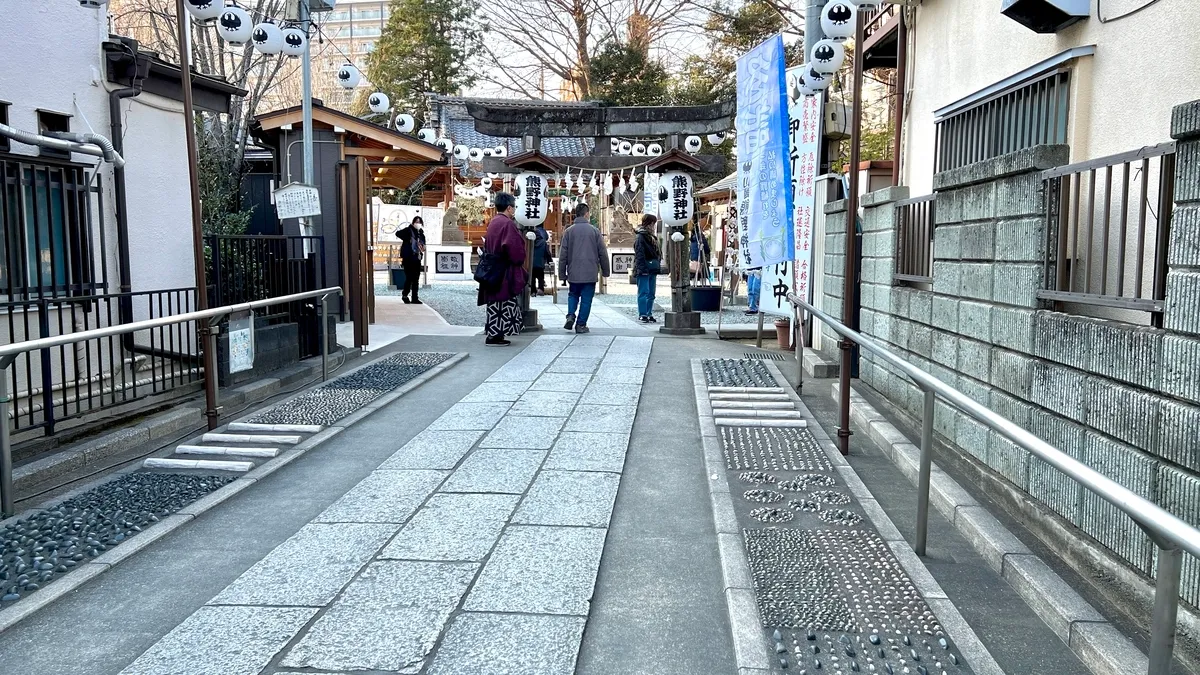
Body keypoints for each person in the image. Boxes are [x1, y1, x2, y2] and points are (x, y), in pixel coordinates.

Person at [477, 193, 528, 346]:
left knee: (496, 302)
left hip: (492, 268)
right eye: (513, 207)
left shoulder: (493, 221)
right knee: (502, 301)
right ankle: (494, 336)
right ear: (509, 207)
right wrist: (520, 258)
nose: (514, 211)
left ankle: (495, 334)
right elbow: (515, 250)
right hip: (502, 270)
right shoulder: (507, 224)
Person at [557, 202, 609, 334]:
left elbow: (563, 255)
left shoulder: (569, 231)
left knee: (573, 294)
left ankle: (570, 315)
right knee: (586, 299)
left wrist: (562, 274)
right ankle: (581, 324)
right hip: (590, 272)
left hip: (573, 272)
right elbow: (603, 252)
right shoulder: (594, 231)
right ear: (586, 214)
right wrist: (606, 271)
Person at [632, 214, 661, 323]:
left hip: (652, 268)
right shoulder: (641, 236)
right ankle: (643, 313)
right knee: (644, 292)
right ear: (650, 223)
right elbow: (639, 254)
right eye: (653, 223)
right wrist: (642, 269)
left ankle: (649, 313)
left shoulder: (651, 236)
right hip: (644, 267)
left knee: (651, 293)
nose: (654, 226)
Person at [395, 215, 426, 304]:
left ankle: (415, 297)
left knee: (416, 278)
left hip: (417, 257)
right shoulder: (408, 230)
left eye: (419, 222)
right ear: (413, 223)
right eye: (416, 222)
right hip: (408, 257)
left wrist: (422, 247)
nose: (418, 224)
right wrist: (408, 239)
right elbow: (398, 233)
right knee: (409, 277)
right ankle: (405, 294)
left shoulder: (421, 234)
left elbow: (423, 245)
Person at [531, 222, 551, 296]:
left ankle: (533, 291)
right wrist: (549, 261)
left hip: (532, 263)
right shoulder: (543, 242)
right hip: (540, 262)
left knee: (532, 278)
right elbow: (547, 252)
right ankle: (541, 289)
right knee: (541, 277)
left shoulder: (531, 242)